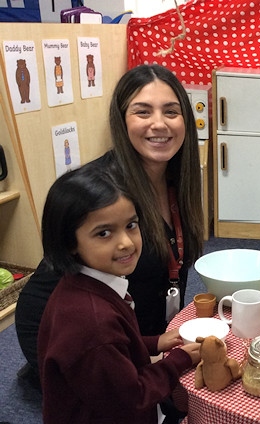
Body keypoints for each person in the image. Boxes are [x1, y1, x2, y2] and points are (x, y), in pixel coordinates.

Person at [15, 64, 204, 388]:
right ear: (121, 120)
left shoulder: (179, 181)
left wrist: (156, 343)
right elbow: (59, 283)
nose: (159, 123)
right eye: (142, 112)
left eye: (171, 111)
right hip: (86, 344)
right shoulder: (103, 193)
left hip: (136, 337)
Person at [37, 165, 201, 424]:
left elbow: (116, 353)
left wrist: (155, 342)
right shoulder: (92, 323)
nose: (126, 242)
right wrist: (177, 360)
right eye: (104, 233)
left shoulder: (88, 285)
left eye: (131, 225)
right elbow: (132, 395)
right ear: (70, 241)